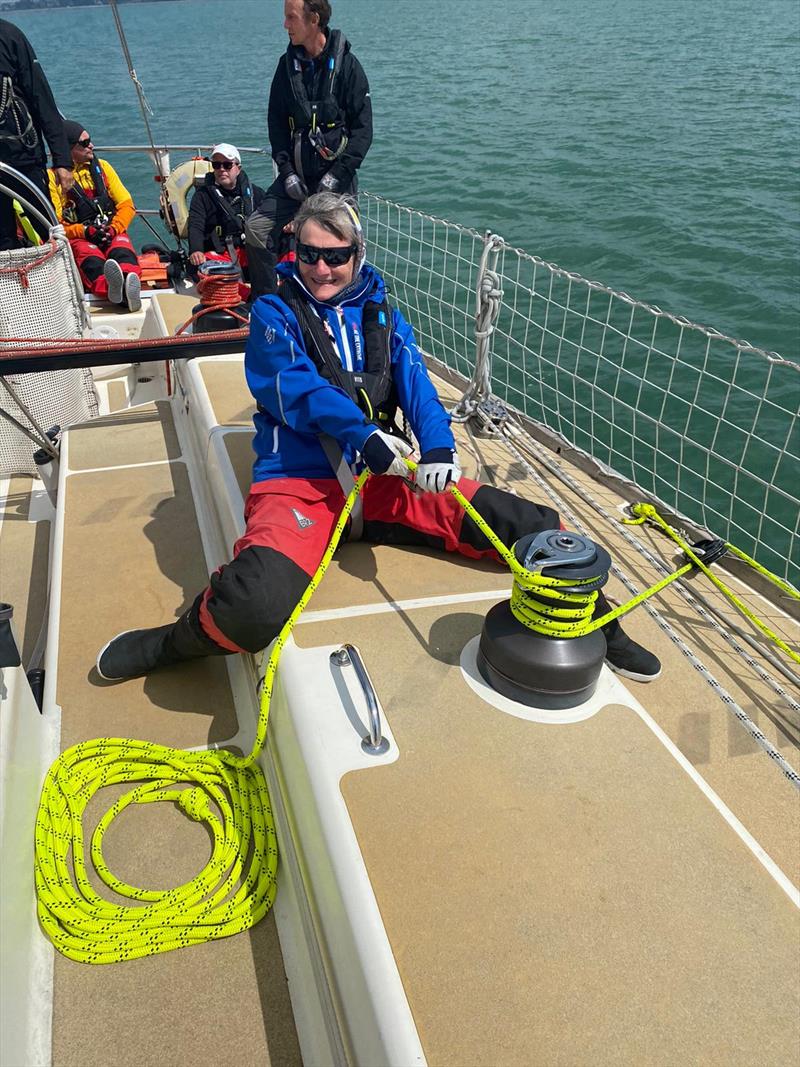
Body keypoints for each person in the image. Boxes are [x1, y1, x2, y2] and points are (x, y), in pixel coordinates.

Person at [97, 192, 661, 686]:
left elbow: (414, 381)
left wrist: (438, 446)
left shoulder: (382, 310)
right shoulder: (273, 312)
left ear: (356, 254)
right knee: (254, 605)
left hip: (382, 478)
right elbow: (294, 386)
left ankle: (600, 623)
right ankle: (171, 644)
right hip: (301, 484)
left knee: (535, 528)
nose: (322, 268)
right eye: (311, 254)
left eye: (336, 256)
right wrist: (361, 433)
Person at [245, 0, 372, 298]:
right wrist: (287, 172)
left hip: (337, 181)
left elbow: (363, 132)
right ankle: (267, 303)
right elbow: (276, 123)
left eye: (291, 17)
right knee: (256, 229)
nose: (285, 25)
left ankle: (344, 305)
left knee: (345, 244)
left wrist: (336, 177)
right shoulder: (286, 68)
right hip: (296, 179)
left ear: (314, 19)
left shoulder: (349, 68)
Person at [47, 121, 142, 311]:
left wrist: (114, 228)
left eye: (90, 140)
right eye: (84, 143)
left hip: (110, 228)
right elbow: (57, 224)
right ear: (68, 149)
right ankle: (114, 289)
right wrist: (84, 231)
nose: (91, 145)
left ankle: (126, 281)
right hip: (80, 236)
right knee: (91, 260)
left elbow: (126, 204)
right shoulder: (52, 178)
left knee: (122, 251)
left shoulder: (103, 168)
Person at [0, 18, 73, 250]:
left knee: (47, 230)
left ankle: (63, 282)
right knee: (2, 239)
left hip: (23, 157)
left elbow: (41, 98)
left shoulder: (10, 36)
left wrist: (62, 160)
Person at [187, 143, 265, 278]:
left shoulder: (255, 193)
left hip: (251, 251)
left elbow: (270, 218)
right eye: (217, 165)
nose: (222, 169)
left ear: (238, 168)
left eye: (227, 165)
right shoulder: (202, 196)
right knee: (198, 267)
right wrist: (196, 250)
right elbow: (195, 225)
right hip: (220, 255)